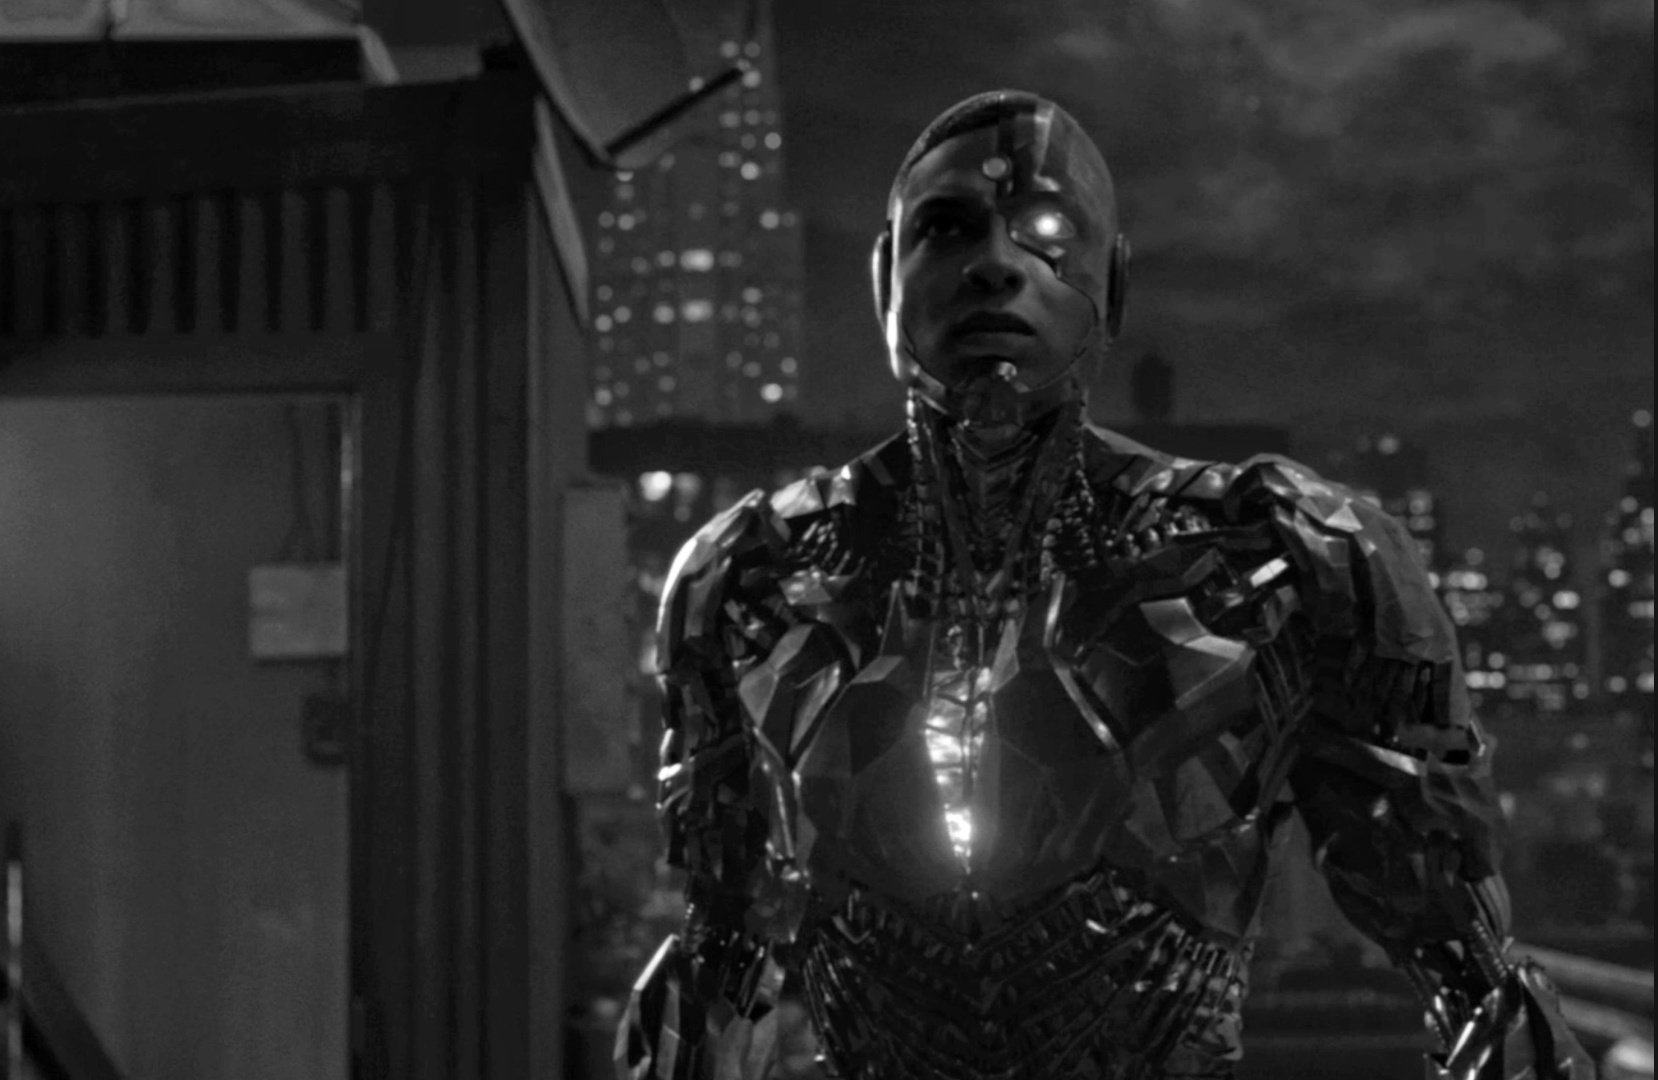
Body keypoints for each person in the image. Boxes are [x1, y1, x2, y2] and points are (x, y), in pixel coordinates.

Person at [615, 90, 1593, 1080]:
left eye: (1048, 233)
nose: (997, 265)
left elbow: (1475, 980)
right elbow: (719, 961)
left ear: (1110, 286)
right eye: (947, 228)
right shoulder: (753, 576)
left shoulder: (1291, 559)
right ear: (886, 282)